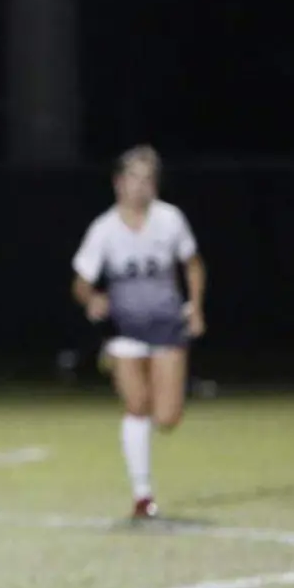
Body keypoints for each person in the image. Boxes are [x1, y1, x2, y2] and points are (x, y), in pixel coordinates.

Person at [70, 144, 207, 519]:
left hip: (166, 325)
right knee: (136, 406)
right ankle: (142, 495)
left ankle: (146, 480)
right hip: (124, 328)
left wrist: (195, 305)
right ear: (118, 184)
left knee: (166, 417)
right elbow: (80, 282)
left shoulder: (170, 220)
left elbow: (193, 264)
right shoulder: (104, 229)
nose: (140, 187)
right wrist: (92, 299)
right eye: (133, 178)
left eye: (148, 179)